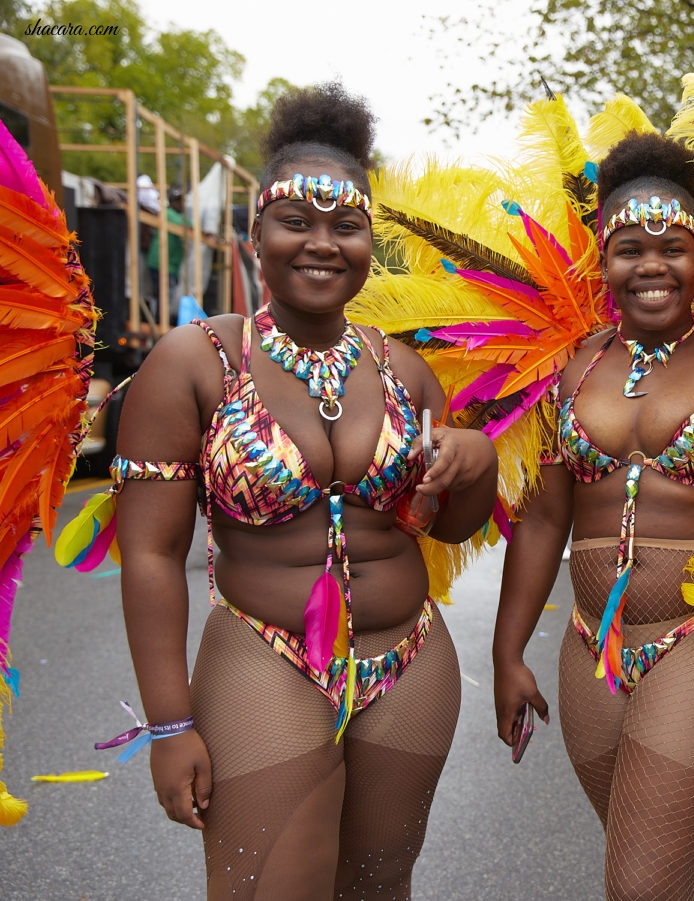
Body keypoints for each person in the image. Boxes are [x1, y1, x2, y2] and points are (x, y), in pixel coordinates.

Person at [100, 83, 498, 898]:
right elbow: (148, 552)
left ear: (368, 239)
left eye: (346, 225)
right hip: (262, 654)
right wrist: (170, 724)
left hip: (410, 659)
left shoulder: (404, 368)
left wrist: (477, 460)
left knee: (381, 884)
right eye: (296, 222)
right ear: (255, 235)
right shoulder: (195, 360)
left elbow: (449, 524)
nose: (322, 243)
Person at [490, 130, 694, 900]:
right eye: (630, 246)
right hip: (589, 648)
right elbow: (541, 519)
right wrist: (507, 651)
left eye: (674, 246)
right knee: (651, 873)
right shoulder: (572, 365)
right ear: (602, 259)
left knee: (640, 885)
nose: (653, 264)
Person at [146, 184, 187, 320]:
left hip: (168, 265)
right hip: (161, 263)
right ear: (173, 202)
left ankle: (161, 321)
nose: (182, 204)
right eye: (179, 201)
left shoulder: (176, 215)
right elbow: (187, 225)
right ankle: (161, 322)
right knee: (164, 297)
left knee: (164, 296)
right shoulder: (168, 213)